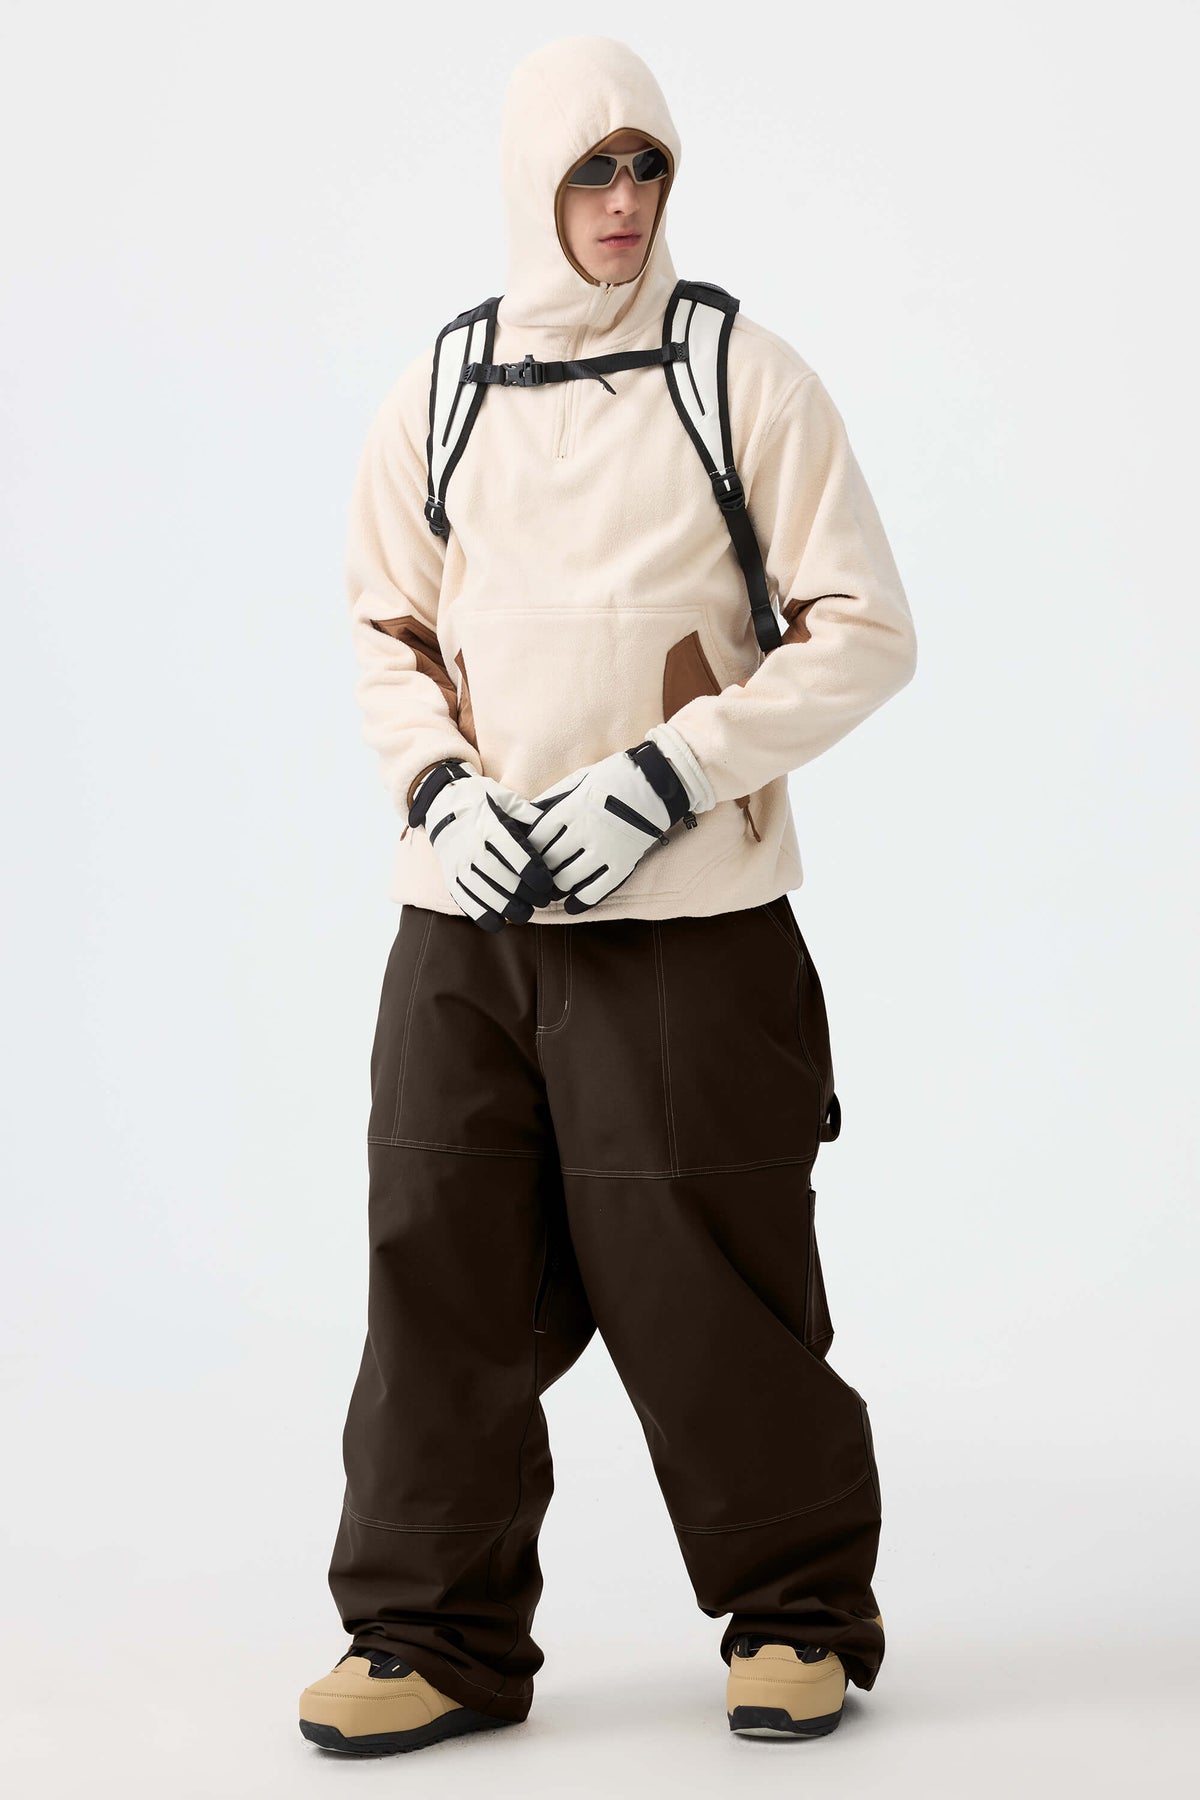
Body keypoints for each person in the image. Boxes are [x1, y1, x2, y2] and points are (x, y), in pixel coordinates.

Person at [299, 33, 917, 1757]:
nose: (625, 201)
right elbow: (382, 626)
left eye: (648, 167)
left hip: (688, 929)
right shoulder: (444, 390)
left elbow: (865, 628)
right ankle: (428, 1637)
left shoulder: (741, 378)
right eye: (592, 169)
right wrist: (439, 793)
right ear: (530, 182)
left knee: (708, 1274)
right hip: (466, 927)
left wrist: (668, 776)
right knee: (440, 1271)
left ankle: (797, 1615)